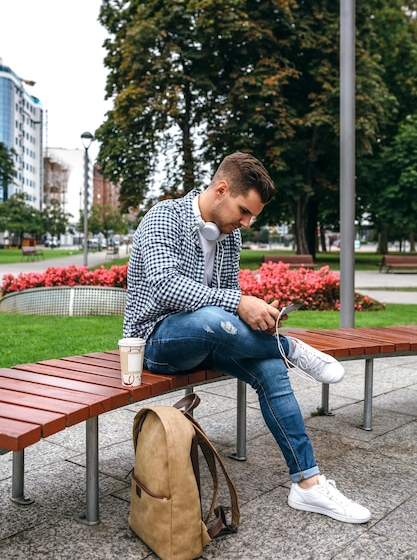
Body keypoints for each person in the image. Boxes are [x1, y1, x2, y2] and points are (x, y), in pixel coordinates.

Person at [124, 152, 371, 524]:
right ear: (221, 189)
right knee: (211, 318)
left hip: (210, 338)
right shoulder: (164, 217)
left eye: (252, 215)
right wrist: (240, 303)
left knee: (270, 367)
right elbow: (165, 287)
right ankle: (290, 348)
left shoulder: (230, 237)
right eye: (243, 211)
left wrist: (257, 320)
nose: (246, 222)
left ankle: (307, 483)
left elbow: (226, 304)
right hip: (156, 341)